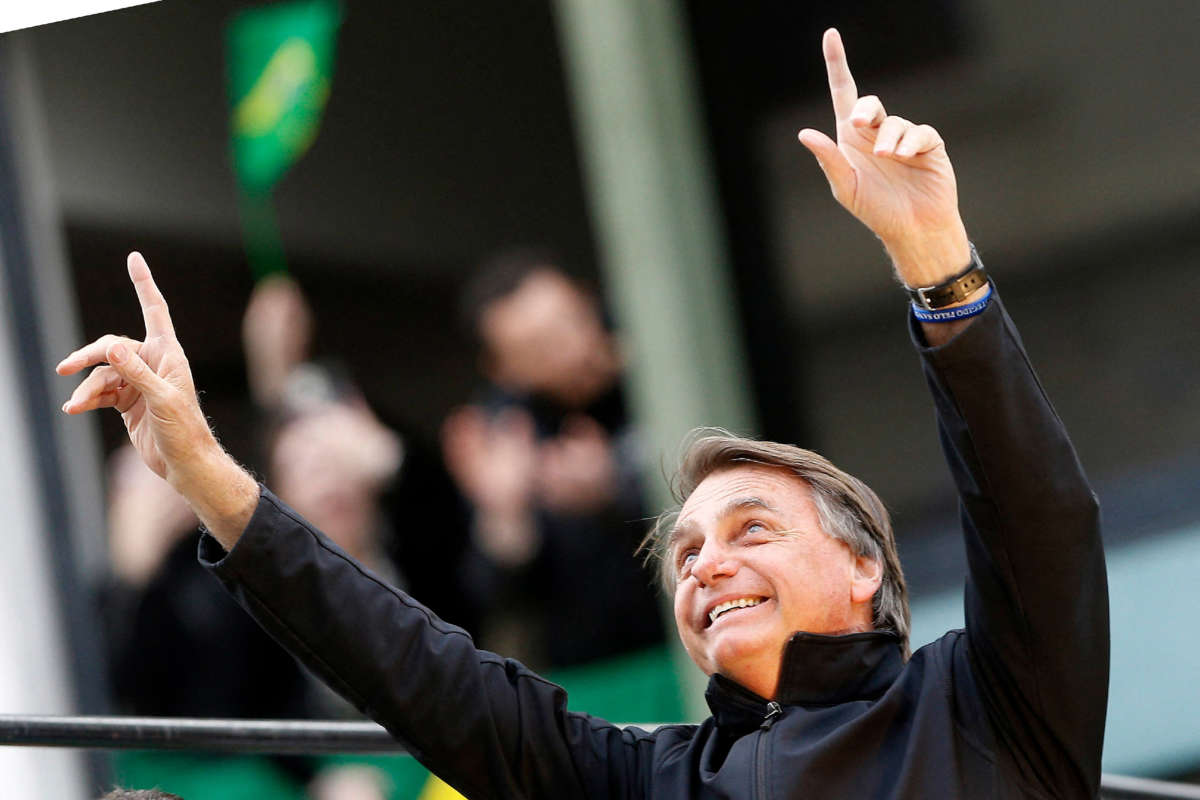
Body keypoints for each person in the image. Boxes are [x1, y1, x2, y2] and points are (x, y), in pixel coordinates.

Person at [58, 29, 1108, 799]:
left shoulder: (986, 706)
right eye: (686, 548)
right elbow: (422, 671)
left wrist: (935, 260)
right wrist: (201, 467)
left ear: (866, 567)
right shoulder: (638, 779)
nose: (702, 564)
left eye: (751, 528)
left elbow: (1035, 516)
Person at [442, 253, 667, 673]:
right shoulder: (506, 437)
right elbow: (494, 597)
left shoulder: (664, 357)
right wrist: (505, 517)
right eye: (540, 346)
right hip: (606, 670)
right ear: (502, 369)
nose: (574, 345)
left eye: (573, 319)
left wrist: (616, 493)